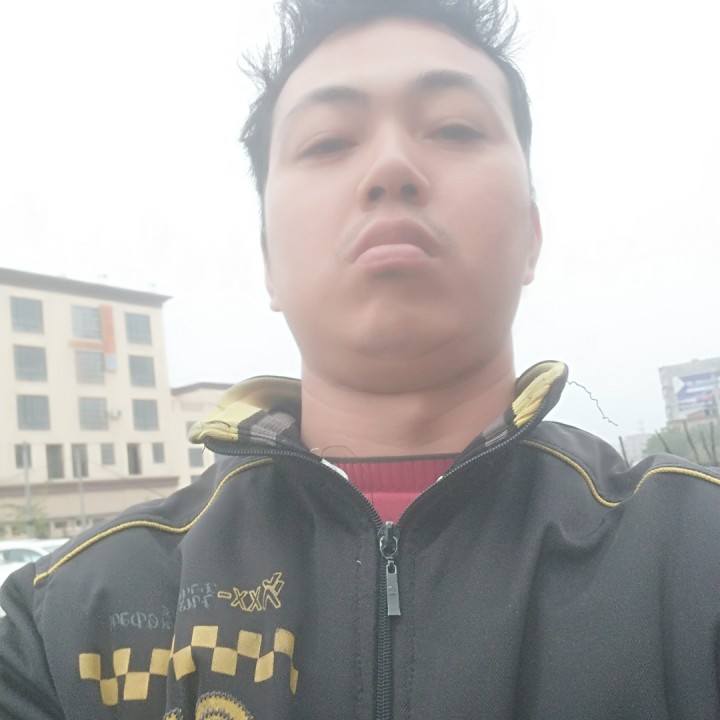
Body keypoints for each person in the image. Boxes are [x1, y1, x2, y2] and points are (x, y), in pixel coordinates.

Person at [1, 0, 719, 717]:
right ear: (268, 261)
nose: (391, 167)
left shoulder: (695, 556)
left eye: (455, 128)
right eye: (328, 141)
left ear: (531, 235)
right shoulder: (61, 625)